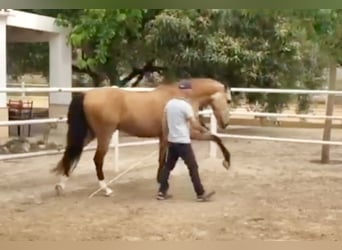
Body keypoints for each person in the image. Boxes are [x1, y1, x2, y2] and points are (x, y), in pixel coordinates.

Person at [156, 80, 216, 202]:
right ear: (187, 91)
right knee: (193, 167)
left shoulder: (169, 104)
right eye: (189, 89)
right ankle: (200, 193)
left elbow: (164, 122)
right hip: (183, 141)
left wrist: (166, 136)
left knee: (168, 166)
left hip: (172, 141)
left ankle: (161, 192)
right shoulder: (186, 106)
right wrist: (204, 130)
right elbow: (194, 124)